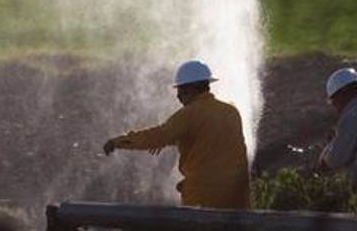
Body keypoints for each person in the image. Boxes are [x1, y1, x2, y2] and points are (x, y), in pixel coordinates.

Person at [103, 60, 251, 209]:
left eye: (180, 89)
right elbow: (207, 137)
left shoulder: (189, 114)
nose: (178, 96)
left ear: (191, 88)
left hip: (204, 199)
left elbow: (157, 136)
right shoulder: (231, 112)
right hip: (237, 199)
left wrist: (118, 142)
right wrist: (171, 140)